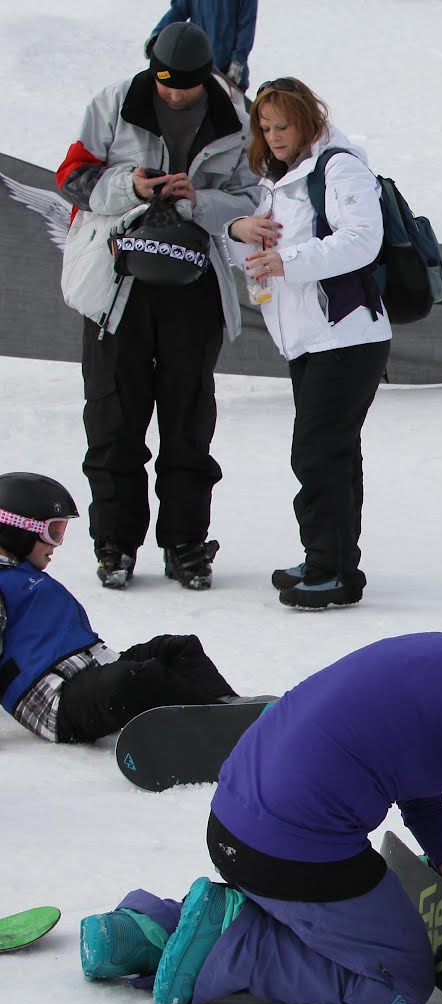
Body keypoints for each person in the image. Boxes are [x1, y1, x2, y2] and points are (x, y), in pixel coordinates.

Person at [77, 571, 442, 1004]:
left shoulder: (439, 657)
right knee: (398, 981)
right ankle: (239, 942)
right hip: (296, 852)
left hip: (233, 830)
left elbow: (420, 795)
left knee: (328, 912)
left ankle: (141, 931)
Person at [56, 22, 261, 593]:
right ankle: (114, 543)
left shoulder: (234, 118)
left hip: (192, 280)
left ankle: (186, 543)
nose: (175, 95)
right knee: (112, 413)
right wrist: (134, 186)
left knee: (188, 415)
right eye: (166, 84)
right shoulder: (113, 103)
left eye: (187, 88)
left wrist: (200, 201)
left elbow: (251, 198)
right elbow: (72, 177)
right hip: (117, 282)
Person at [224, 78, 391, 609]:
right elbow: (266, 250)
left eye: (283, 125)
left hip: (346, 333)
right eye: (265, 127)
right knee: (334, 454)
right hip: (309, 337)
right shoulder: (280, 176)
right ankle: (332, 561)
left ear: (308, 119)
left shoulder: (338, 166)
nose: (273, 136)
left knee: (318, 453)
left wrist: (287, 261)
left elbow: (364, 239)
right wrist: (239, 231)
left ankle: (330, 569)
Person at [0, 473, 239, 745]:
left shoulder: (19, 575)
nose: (57, 544)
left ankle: (229, 709)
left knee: (177, 649)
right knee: (138, 679)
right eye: (52, 532)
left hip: (88, 674)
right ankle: (222, 730)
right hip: (55, 702)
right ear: (17, 529)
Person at [149, 0, 258, 93]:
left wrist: (238, 61)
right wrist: (158, 34)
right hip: (195, 67)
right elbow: (179, 9)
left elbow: (246, 25)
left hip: (227, 72)